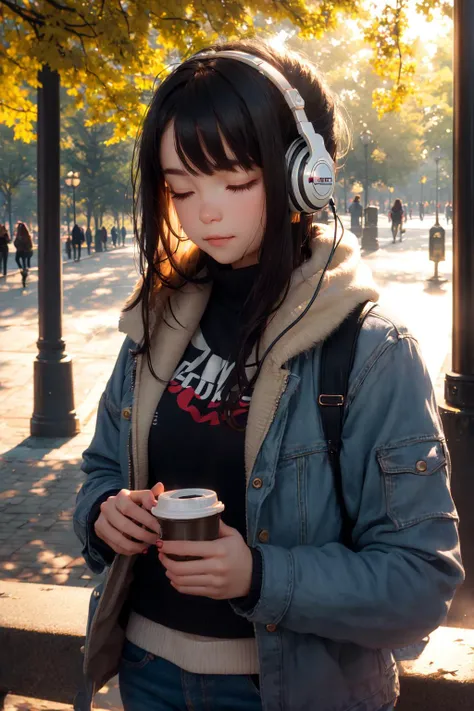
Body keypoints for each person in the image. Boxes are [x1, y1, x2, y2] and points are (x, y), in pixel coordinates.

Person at [73, 41, 463, 711]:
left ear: (305, 174)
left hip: (282, 692)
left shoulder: (370, 350)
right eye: (183, 187)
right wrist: (104, 515)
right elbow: (101, 470)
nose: (205, 212)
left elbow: (420, 579)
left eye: (233, 180)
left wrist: (260, 575)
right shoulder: (157, 320)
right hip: (145, 674)